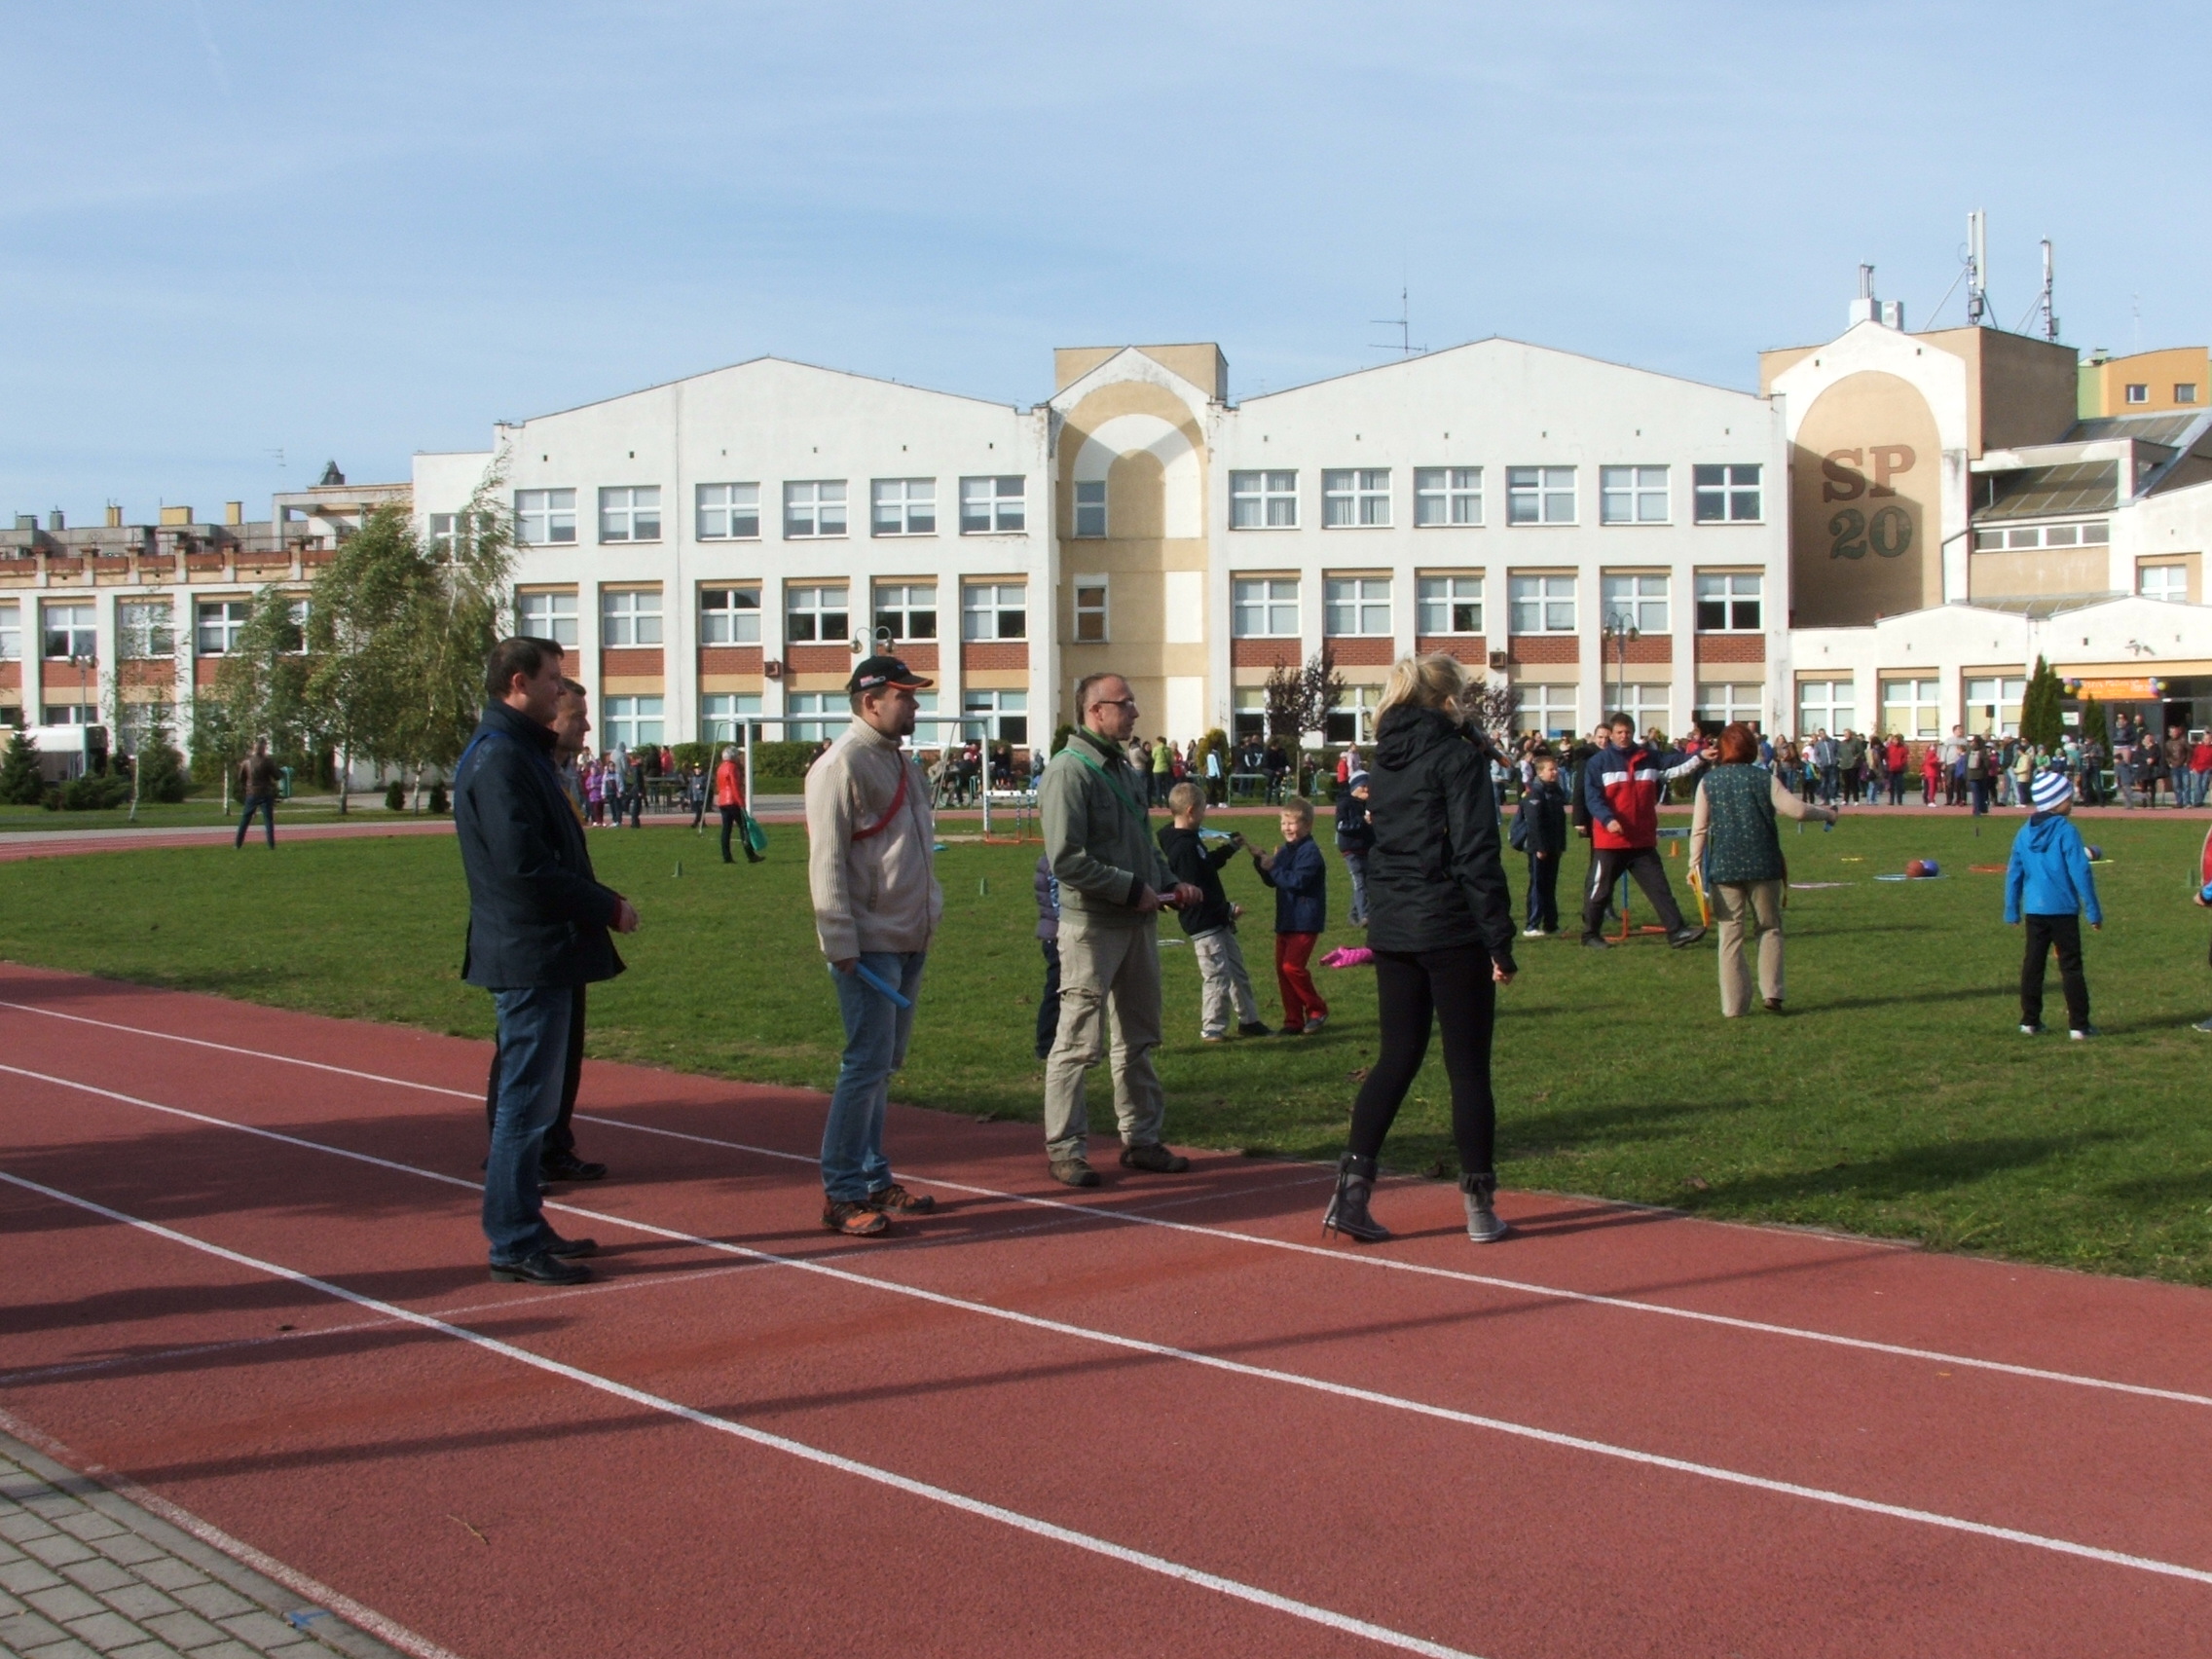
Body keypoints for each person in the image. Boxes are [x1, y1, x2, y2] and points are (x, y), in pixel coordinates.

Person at [455, 638, 639, 1284]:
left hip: (543, 949)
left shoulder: (518, 752)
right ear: (517, 682)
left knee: (536, 1101)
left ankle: (524, 1226)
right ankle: (512, 1238)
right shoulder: (500, 758)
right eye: (553, 679)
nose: (561, 691)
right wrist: (604, 906)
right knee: (526, 1103)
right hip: (529, 952)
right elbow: (524, 868)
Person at [1320, 653, 1517, 1246]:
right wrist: (1499, 939)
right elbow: (1476, 852)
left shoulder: (1386, 760)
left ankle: (1350, 1193)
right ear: (1448, 699)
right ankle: (1479, 1206)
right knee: (1467, 1066)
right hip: (1448, 924)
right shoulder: (1457, 758)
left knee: (1397, 1057)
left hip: (1395, 924)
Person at [1039, 674, 1202, 1187]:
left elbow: (1144, 843)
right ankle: (1066, 1149)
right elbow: (1067, 860)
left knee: (1138, 1038)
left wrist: (1170, 882)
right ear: (1095, 711)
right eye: (1125, 703)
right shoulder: (1069, 772)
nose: (1135, 712)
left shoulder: (1125, 770)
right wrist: (1131, 889)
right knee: (1077, 1042)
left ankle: (1142, 1139)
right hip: (1092, 927)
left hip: (1137, 924)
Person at [803, 654, 943, 1235]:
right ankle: (842, 1192)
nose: (915, 704)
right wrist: (840, 939)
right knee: (864, 1065)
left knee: (883, 1066)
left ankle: (873, 1175)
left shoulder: (901, 763)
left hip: (908, 935)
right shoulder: (840, 765)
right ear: (871, 701)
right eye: (904, 696)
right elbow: (827, 861)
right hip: (868, 943)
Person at [481, 677, 610, 1186]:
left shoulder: (554, 771)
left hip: (567, 933)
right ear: (551, 715)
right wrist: (601, 904)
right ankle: (513, 1161)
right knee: (527, 1053)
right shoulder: (514, 765)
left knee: (564, 1049)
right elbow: (524, 864)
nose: (586, 726)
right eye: (577, 716)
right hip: (531, 938)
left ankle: (553, 1144)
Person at [1688, 722, 1836, 1017]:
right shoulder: (1763, 778)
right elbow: (1797, 810)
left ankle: (1733, 1006)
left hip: (1725, 867)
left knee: (1730, 936)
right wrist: (1827, 813)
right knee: (1769, 928)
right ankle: (1772, 992)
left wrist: (1693, 865)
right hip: (1763, 863)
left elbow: (1699, 828)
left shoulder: (1709, 782)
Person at [1579, 713, 1708, 950]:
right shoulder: (1598, 763)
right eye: (1619, 732)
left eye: (1627, 732)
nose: (1623, 736)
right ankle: (1590, 934)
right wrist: (1608, 820)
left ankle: (1677, 932)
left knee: (1659, 888)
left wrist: (1700, 756)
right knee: (1599, 889)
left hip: (1642, 841)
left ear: (1633, 732)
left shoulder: (1649, 757)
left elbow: (1676, 763)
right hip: (1611, 841)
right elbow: (1593, 797)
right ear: (1612, 734)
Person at [1158, 783, 1267, 1042]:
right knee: (1217, 975)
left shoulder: (1190, 839)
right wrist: (1227, 909)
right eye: (1203, 809)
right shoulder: (1183, 848)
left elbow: (1206, 867)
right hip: (1203, 922)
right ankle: (1212, 1027)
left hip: (1217, 919)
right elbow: (1195, 890)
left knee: (1237, 972)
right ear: (1191, 811)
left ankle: (1249, 1021)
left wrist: (1229, 849)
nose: (1205, 814)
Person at [2006, 769, 2102, 1039]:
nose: (2072, 802)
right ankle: (2079, 1026)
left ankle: (2029, 1021)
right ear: (2056, 802)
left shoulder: (2023, 833)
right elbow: (2081, 872)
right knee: (2071, 967)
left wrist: (2012, 909)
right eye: (2068, 798)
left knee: (2033, 965)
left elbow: (2014, 872)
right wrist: (2093, 910)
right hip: (2063, 910)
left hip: (2034, 909)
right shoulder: (2067, 831)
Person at [1254, 796, 1329, 1034]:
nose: (1287, 828)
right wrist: (1261, 863)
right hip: (1286, 919)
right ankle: (1293, 1020)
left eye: (1292, 823)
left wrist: (1274, 868)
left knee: (1292, 967)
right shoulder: (1286, 850)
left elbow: (1297, 882)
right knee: (1283, 971)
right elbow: (1274, 881)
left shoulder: (1310, 853)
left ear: (1307, 826)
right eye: (1284, 823)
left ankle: (1317, 1009)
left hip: (1305, 920)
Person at [1512, 752, 1568, 937]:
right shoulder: (1534, 793)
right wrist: (1539, 847)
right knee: (1537, 884)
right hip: (1539, 847)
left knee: (1550, 885)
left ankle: (1551, 923)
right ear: (1540, 772)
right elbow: (1534, 823)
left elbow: (1560, 821)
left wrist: (1560, 845)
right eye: (1551, 770)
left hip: (1554, 845)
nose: (1555, 773)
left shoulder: (1556, 791)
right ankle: (1532, 924)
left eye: (1556, 769)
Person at [1336, 769, 1375, 926]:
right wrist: (1362, 822)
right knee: (1359, 882)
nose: (1367, 789)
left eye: (1368, 786)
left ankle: (1354, 915)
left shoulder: (1368, 804)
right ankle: (1364, 915)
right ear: (1354, 787)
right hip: (1351, 849)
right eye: (1363, 786)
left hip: (1365, 848)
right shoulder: (1345, 804)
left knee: (1365, 882)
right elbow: (1341, 826)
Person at [1033, 853, 1062, 1060]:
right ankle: (1046, 1043)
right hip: (1057, 936)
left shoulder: (1052, 859)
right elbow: (1060, 904)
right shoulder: (1054, 862)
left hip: (1055, 933)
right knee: (1056, 991)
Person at [714, 745, 761, 866]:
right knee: (744, 828)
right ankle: (751, 855)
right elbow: (735, 786)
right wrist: (741, 803)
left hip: (723, 800)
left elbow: (719, 785)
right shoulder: (733, 767)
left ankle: (727, 856)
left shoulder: (720, 767)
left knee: (726, 829)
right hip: (733, 800)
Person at [234, 739, 279, 849]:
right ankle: (271, 845)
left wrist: (246, 788)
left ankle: (238, 844)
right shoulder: (268, 762)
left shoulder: (246, 762)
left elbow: (241, 778)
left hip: (252, 793)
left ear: (254, 749)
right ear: (263, 749)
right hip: (265, 792)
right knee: (268, 820)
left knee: (245, 819)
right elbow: (277, 776)